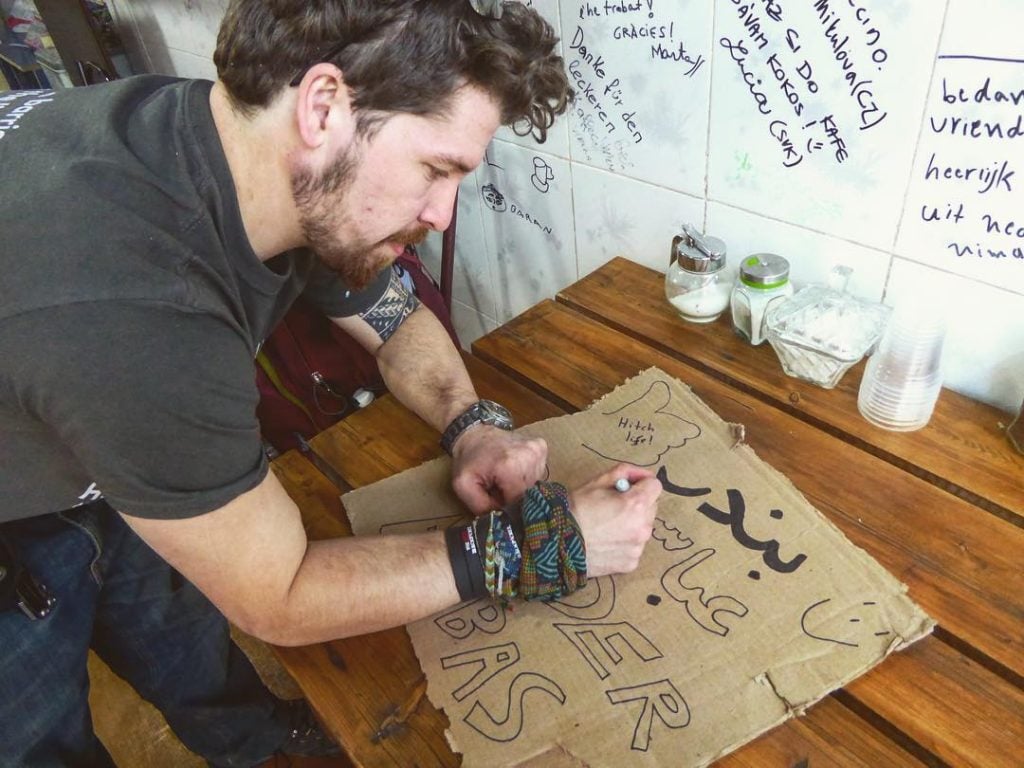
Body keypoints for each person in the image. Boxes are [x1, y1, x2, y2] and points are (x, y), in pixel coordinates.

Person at [0, 1, 664, 765]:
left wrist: (471, 425)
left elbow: (393, 314)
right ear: (323, 105)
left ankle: (255, 743)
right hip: (17, 511)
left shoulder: (227, 146)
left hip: (80, 427)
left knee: (188, 649)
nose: (444, 213)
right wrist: (541, 545)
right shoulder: (136, 317)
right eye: (436, 168)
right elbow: (277, 595)